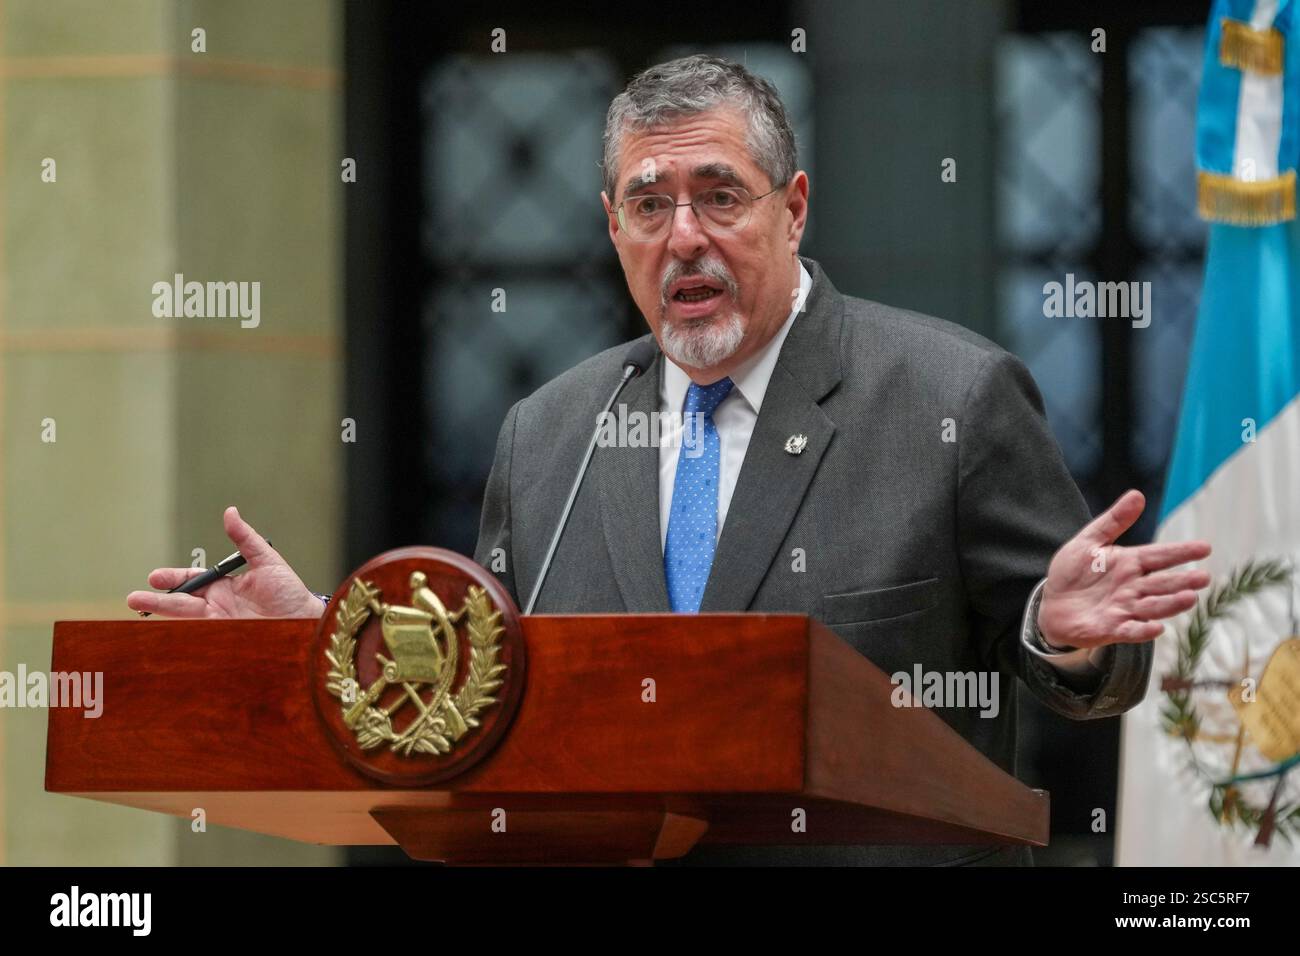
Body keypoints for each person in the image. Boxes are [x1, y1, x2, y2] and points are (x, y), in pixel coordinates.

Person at [127, 55, 1211, 865]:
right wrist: (334, 642)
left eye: (718, 194)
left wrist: (1053, 632)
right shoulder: (547, 433)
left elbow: (1096, 671)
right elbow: (486, 699)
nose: (682, 234)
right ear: (611, 227)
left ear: (792, 209)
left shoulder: (949, 398)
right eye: (649, 204)